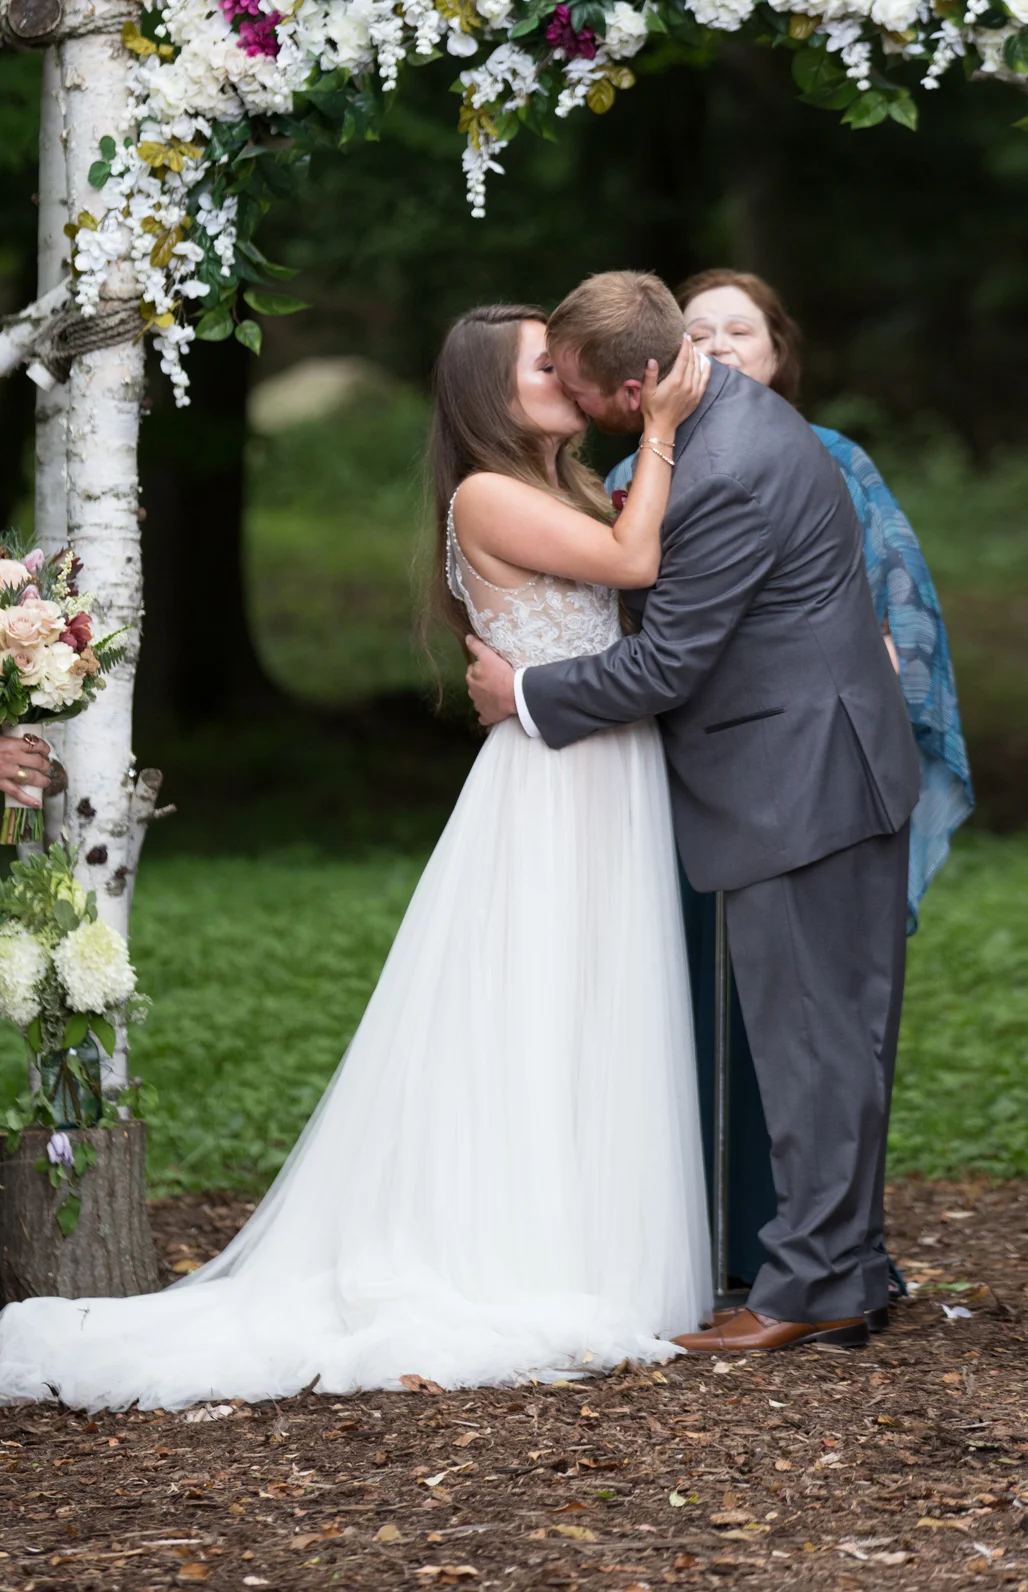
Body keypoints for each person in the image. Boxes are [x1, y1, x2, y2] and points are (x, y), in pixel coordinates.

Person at [0, 307, 712, 1410]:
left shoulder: (568, 482)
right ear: (488, 390)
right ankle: (518, 1250)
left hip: (603, 771)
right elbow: (636, 558)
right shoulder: (487, 492)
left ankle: (592, 1238)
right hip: (552, 785)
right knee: (535, 1006)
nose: (568, 373)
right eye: (542, 362)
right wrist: (661, 424)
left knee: (593, 1007)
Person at [468, 271, 921, 1355]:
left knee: (814, 1045)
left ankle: (809, 1290)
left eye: (582, 390)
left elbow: (667, 662)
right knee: (836, 1037)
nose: (573, 408)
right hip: (822, 767)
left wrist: (522, 694)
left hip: (798, 778)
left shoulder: (720, 468)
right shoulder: (720, 419)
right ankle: (843, 1272)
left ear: (635, 384)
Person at [605, 270, 972, 1299]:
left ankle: (817, 1261)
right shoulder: (635, 469)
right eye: (698, 328)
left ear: (778, 351)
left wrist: (878, 671)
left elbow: (895, 594)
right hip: (696, 777)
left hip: (799, 774)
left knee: (813, 1020)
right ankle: (754, 1250)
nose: (718, 343)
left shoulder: (822, 458)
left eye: (740, 329)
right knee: (748, 1018)